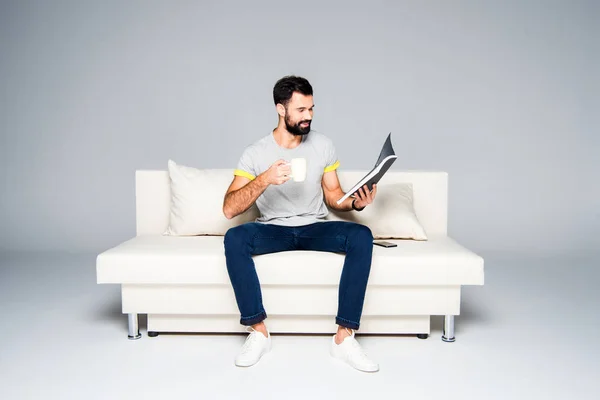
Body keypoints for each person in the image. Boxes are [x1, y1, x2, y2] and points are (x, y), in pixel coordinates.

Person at [222, 75, 379, 372]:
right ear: (281, 110)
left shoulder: (323, 145)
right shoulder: (255, 153)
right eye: (301, 110)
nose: (309, 116)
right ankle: (258, 331)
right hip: (272, 230)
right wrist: (265, 179)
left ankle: (344, 338)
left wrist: (357, 202)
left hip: (314, 227)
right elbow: (230, 208)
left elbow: (333, 195)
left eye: (311, 109)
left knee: (361, 235)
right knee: (234, 238)